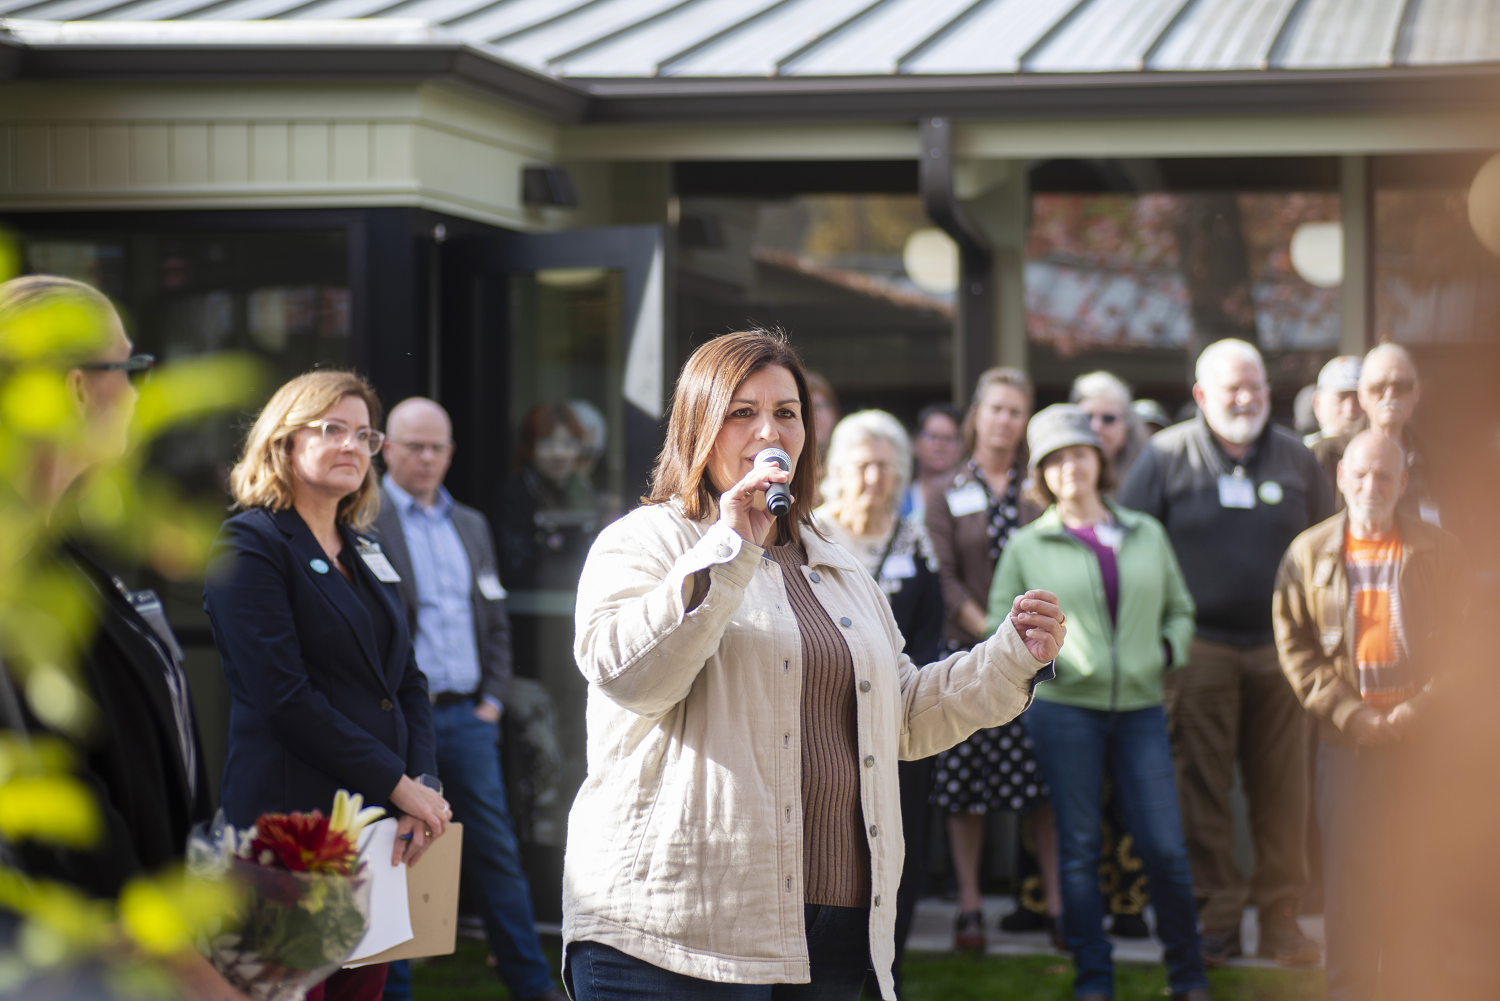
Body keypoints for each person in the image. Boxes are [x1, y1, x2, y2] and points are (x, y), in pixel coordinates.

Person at [562, 330, 1063, 1001]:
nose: (769, 430)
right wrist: (728, 547)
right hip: (677, 929)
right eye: (742, 412)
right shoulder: (643, 541)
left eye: (787, 412)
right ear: (697, 425)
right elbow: (633, 679)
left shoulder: (834, 557)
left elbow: (901, 714)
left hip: (831, 930)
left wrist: (1007, 657)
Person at [0, 275, 249, 1001]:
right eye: (131, 367)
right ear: (77, 390)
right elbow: (65, 837)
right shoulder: (18, 584)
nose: (142, 394)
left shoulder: (65, 555)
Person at [204, 371, 451, 1001]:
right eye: (332, 429)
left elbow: (406, 680)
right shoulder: (251, 545)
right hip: (291, 832)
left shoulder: (366, 547)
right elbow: (283, 699)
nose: (352, 445)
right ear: (284, 441)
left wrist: (422, 785)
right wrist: (397, 782)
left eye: (364, 435)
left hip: (374, 830)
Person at [1119, 338, 1335, 968]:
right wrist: (1157, 635)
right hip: (1199, 648)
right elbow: (1130, 547)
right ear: (1200, 395)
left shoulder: (1296, 457)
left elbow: (1329, 541)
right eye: (1233, 388)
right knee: (1201, 789)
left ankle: (1281, 920)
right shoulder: (1165, 456)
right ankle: (1216, 919)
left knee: (1284, 791)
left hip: (1282, 649)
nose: (1246, 398)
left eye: (1256, 386)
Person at [988, 405, 1209, 1001]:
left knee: (1164, 847)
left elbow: (1181, 609)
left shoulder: (1147, 532)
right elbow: (997, 629)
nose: (1070, 467)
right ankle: (1093, 980)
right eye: (1055, 459)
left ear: (1099, 460)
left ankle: (1189, 978)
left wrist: (1164, 652)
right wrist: (1040, 666)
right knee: (1079, 847)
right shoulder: (1027, 545)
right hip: (1064, 711)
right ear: (1041, 473)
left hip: (1140, 707)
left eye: (1080, 453)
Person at [373, 398, 566, 1001]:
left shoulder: (471, 524)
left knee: (496, 853)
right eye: (414, 447)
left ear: (451, 452)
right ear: (388, 449)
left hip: (468, 718)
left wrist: (493, 702)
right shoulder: (365, 520)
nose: (427, 458)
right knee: (394, 853)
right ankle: (394, 992)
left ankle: (532, 985)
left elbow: (495, 619)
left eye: (437, 448)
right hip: (400, 725)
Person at [1272, 431, 1467, 1000]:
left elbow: (1469, 645)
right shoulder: (1307, 553)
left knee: (1420, 876)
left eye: (1384, 476)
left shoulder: (1442, 549)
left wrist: (1419, 710)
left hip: (1422, 743)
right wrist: (1349, 713)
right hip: (1346, 744)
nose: (1371, 486)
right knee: (1350, 884)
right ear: (1341, 478)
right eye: (1360, 474)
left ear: (1403, 483)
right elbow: (1295, 648)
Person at [923, 368, 1057, 950]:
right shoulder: (945, 489)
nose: (1005, 420)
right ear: (977, 414)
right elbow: (944, 576)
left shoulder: (1038, 488)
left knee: (1040, 786)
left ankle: (1056, 907)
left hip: (1033, 657)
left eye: (1016, 411)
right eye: (996, 408)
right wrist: (992, 634)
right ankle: (971, 906)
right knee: (966, 786)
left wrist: (1025, 644)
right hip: (968, 652)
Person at [812, 410, 944, 999]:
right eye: (863, 465)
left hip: (897, 722)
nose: (875, 478)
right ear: (838, 470)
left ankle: (889, 967)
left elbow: (930, 630)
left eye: (886, 467)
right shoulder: (810, 536)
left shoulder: (914, 539)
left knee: (899, 845)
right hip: (823, 721)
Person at [1313, 344, 1441, 526]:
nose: (1390, 394)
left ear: (1416, 392)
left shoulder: (1439, 461)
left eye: (1401, 386)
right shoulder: (1325, 455)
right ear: (1362, 395)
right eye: (1378, 387)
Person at [1070, 371, 1149, 490]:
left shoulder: (1146, 474)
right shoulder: (1063, 475)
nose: (1096, 427)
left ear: (1126, 424)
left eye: (1108, 418)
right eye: (1087, 417)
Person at [901, 403, 963, 522]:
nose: (940, 445)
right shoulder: (899, 499)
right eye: (932, 437)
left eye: (948, 438)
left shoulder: (970, 499)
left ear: (960, 449)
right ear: (915, 444)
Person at [1303, 356, 1363, 448]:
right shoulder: (1301, 454)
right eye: (1339, 399)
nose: (1350, 409)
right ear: (1317, 405)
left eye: (1359, 399)